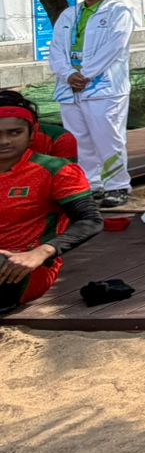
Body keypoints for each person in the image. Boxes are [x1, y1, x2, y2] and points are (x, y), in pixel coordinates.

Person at [0, 90, 102, 313]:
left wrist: (42, 252)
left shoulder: (56, 170)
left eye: (15, 132)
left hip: (21, 266)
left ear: (32, 133)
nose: (4, 141)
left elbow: (90, 220)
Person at [48, 0, 136, 208]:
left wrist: (85, 74)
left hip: (104, 87)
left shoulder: (119, 12)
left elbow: (114, 47)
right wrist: (68, 74)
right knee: (79, 139)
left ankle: (117, 185)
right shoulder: (69, 14)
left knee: (108, 137)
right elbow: (56, 49)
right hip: (69, 87)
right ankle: (91, 184)